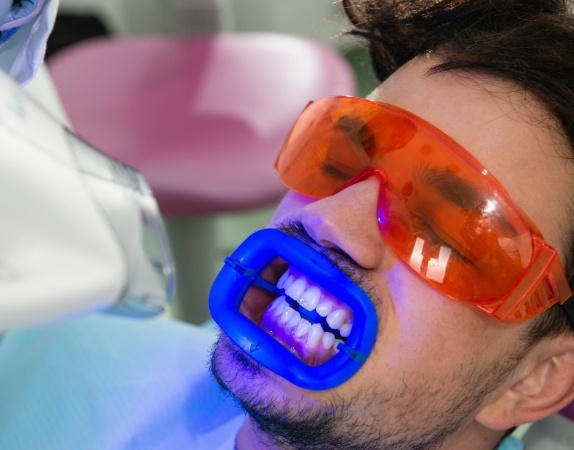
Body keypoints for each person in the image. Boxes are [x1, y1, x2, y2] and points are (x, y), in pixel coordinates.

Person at [208, 0, 574, 449]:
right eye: (341, 160)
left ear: (533, 380)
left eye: (447, 231)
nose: (326, 218)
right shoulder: (99, 354)